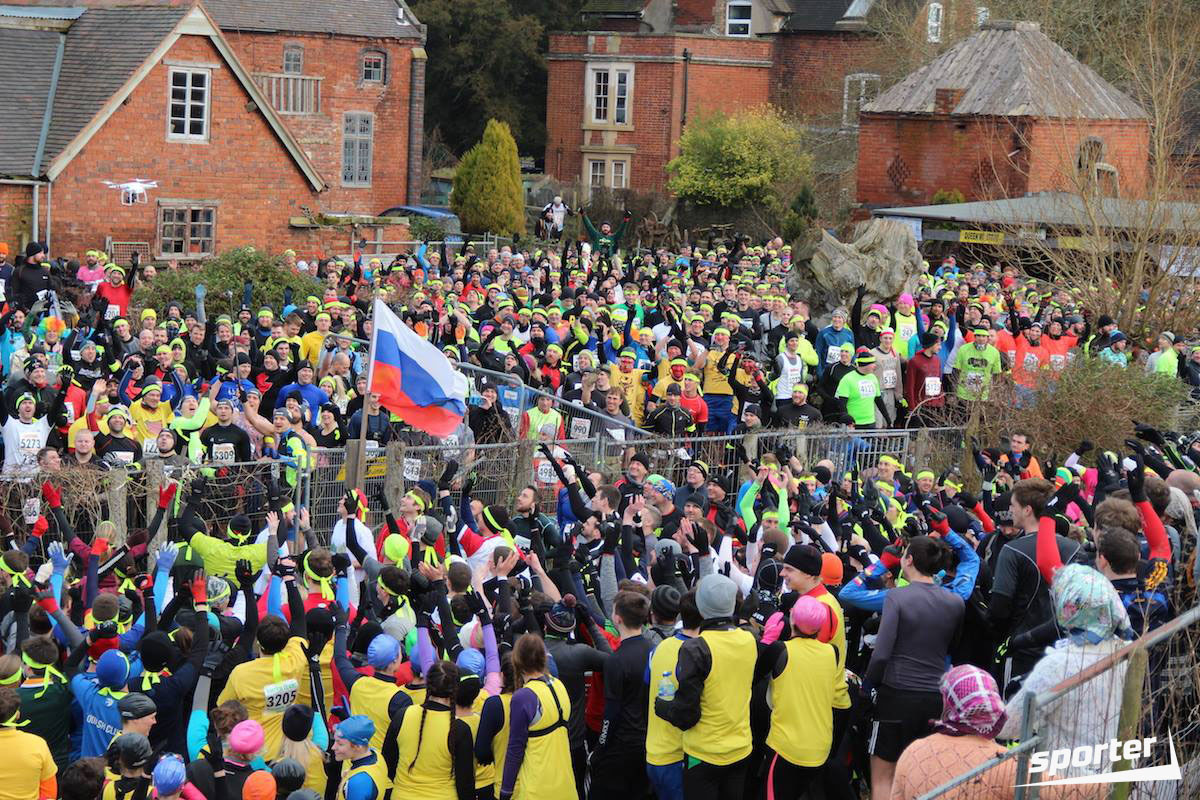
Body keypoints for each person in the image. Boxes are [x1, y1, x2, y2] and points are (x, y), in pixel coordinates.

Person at [866, 536, 965, 800]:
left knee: (884, 779)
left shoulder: (897, 597)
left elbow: (881, 654)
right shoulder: (955, 602)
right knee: (922, 779)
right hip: (935, 699)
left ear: (908, 560)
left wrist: (868, 688)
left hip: (896, 696)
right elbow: (951, 648)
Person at [655, 574, 756, 800]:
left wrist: (661, 707)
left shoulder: (696, 648)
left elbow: (686, 715)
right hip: (741, 749)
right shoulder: (749, 639)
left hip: (704, 754)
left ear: (699, 607)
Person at [499, 633, 578, 800]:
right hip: (566, 785)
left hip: (538, 789)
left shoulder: (523, 697)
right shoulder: (559, 685)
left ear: (517, 661)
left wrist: (505, 792)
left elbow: (515, 750)